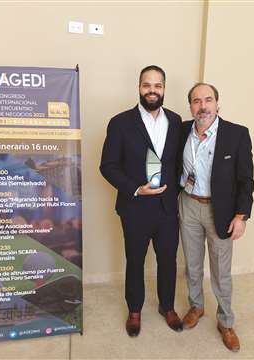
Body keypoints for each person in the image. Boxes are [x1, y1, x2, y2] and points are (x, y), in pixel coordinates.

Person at [100, 65, 183, 337]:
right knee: (135, 261)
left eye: (157, 85)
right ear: (139, 87)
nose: (152, 90)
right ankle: (134, 310)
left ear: (164, 89)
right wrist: (135, 188)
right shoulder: (120, 122)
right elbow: (108, 166)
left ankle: (167, 307)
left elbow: (178, 161)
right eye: (147, 85)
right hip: (135, 207)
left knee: (168, 260)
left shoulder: (175, 120)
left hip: (167, 208)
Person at [178, 83, 254, 352]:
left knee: (221, 271)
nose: (203, 106)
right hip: (188, 205)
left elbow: (246, 180)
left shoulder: (237, 134)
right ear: (190, 106)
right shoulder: (181, 130)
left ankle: (226, 321)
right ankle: (196, 306)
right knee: (192, 264)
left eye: (208, 100)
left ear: (217, 103)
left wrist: (241, 215)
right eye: (197, 101)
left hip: (220, 211)